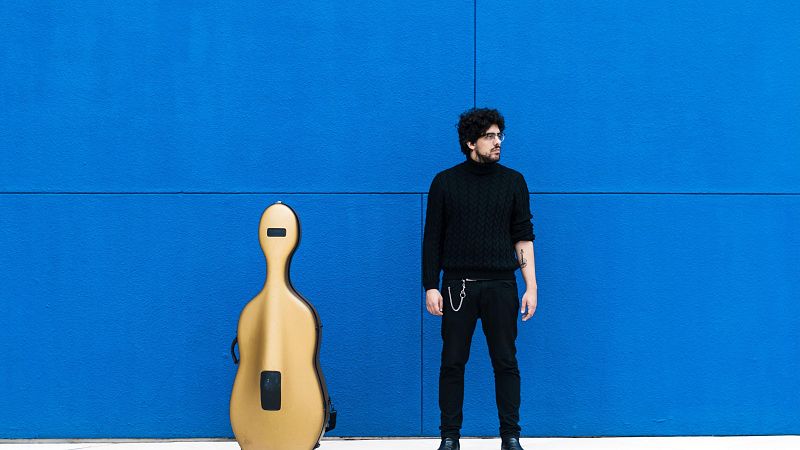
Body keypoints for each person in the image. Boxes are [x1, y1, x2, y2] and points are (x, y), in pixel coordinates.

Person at [422, 108, 538, 450]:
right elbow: (432, 239)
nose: (498, 141)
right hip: (457, 286)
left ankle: (511, 437)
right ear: (470, 142)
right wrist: (430, 286)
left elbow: (523, 237)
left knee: (506, 361)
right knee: (452, 362)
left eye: (499, 135)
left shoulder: (514, 182)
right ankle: (449, 437)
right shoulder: (444, 183)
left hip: (502, 285)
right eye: (490, 136)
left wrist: (531, 286)